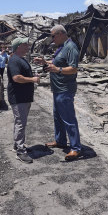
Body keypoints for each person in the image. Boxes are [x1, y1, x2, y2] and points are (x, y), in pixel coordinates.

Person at [33, 25, 82, 161]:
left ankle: (76, 148)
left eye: (53, 36)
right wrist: (45, 62)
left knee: (68, 119)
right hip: (57, 88)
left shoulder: (71, 47)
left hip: (65, 89)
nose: (52, 39)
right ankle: (60, 141)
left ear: (61, 34)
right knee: (58, 117)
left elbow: (73, 68)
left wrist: (57, 70)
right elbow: (57, 62)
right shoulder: (62, 47)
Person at [7, 37, 40, 163]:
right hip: (18, 97)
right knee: (21, 123)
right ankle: (20, 151)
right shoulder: (14, 60)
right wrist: (33, 80)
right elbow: (16, 78)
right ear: (18, 47)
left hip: (23, 97)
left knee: (19, 122)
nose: (28, 46)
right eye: (25, 45)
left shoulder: (21, 59)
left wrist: (33, 77)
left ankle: (17, 145)